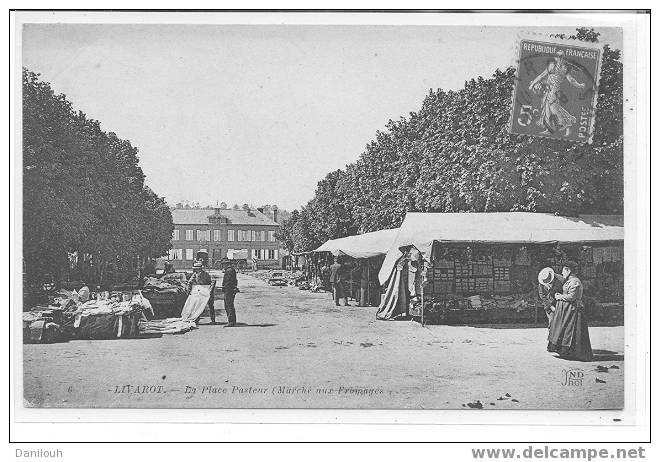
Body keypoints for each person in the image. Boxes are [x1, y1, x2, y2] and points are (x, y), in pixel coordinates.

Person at [528, 50, 586, 136]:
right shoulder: (551, 66)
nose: (558, 59)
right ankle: (551, 128)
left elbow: (571, 80)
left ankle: (564, 122)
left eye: (560, 57)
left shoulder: (563, 68)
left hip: (554, 91)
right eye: (557, 56)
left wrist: (580, 85)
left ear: (562, 58)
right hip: (548, 89)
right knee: (548, 108)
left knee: (552, 108)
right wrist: (532, 84)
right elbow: (541, 75)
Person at [547, 261, 593, 361]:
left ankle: (574, 353)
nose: (562, 272)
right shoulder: (569, 280)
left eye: (563, 270)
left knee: (572, 331)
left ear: (568, 270)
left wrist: (560, 297)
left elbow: (572, 296)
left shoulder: (575, 281)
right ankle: (565, 352)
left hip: (573, 310)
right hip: (567, 309)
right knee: (565, 330)